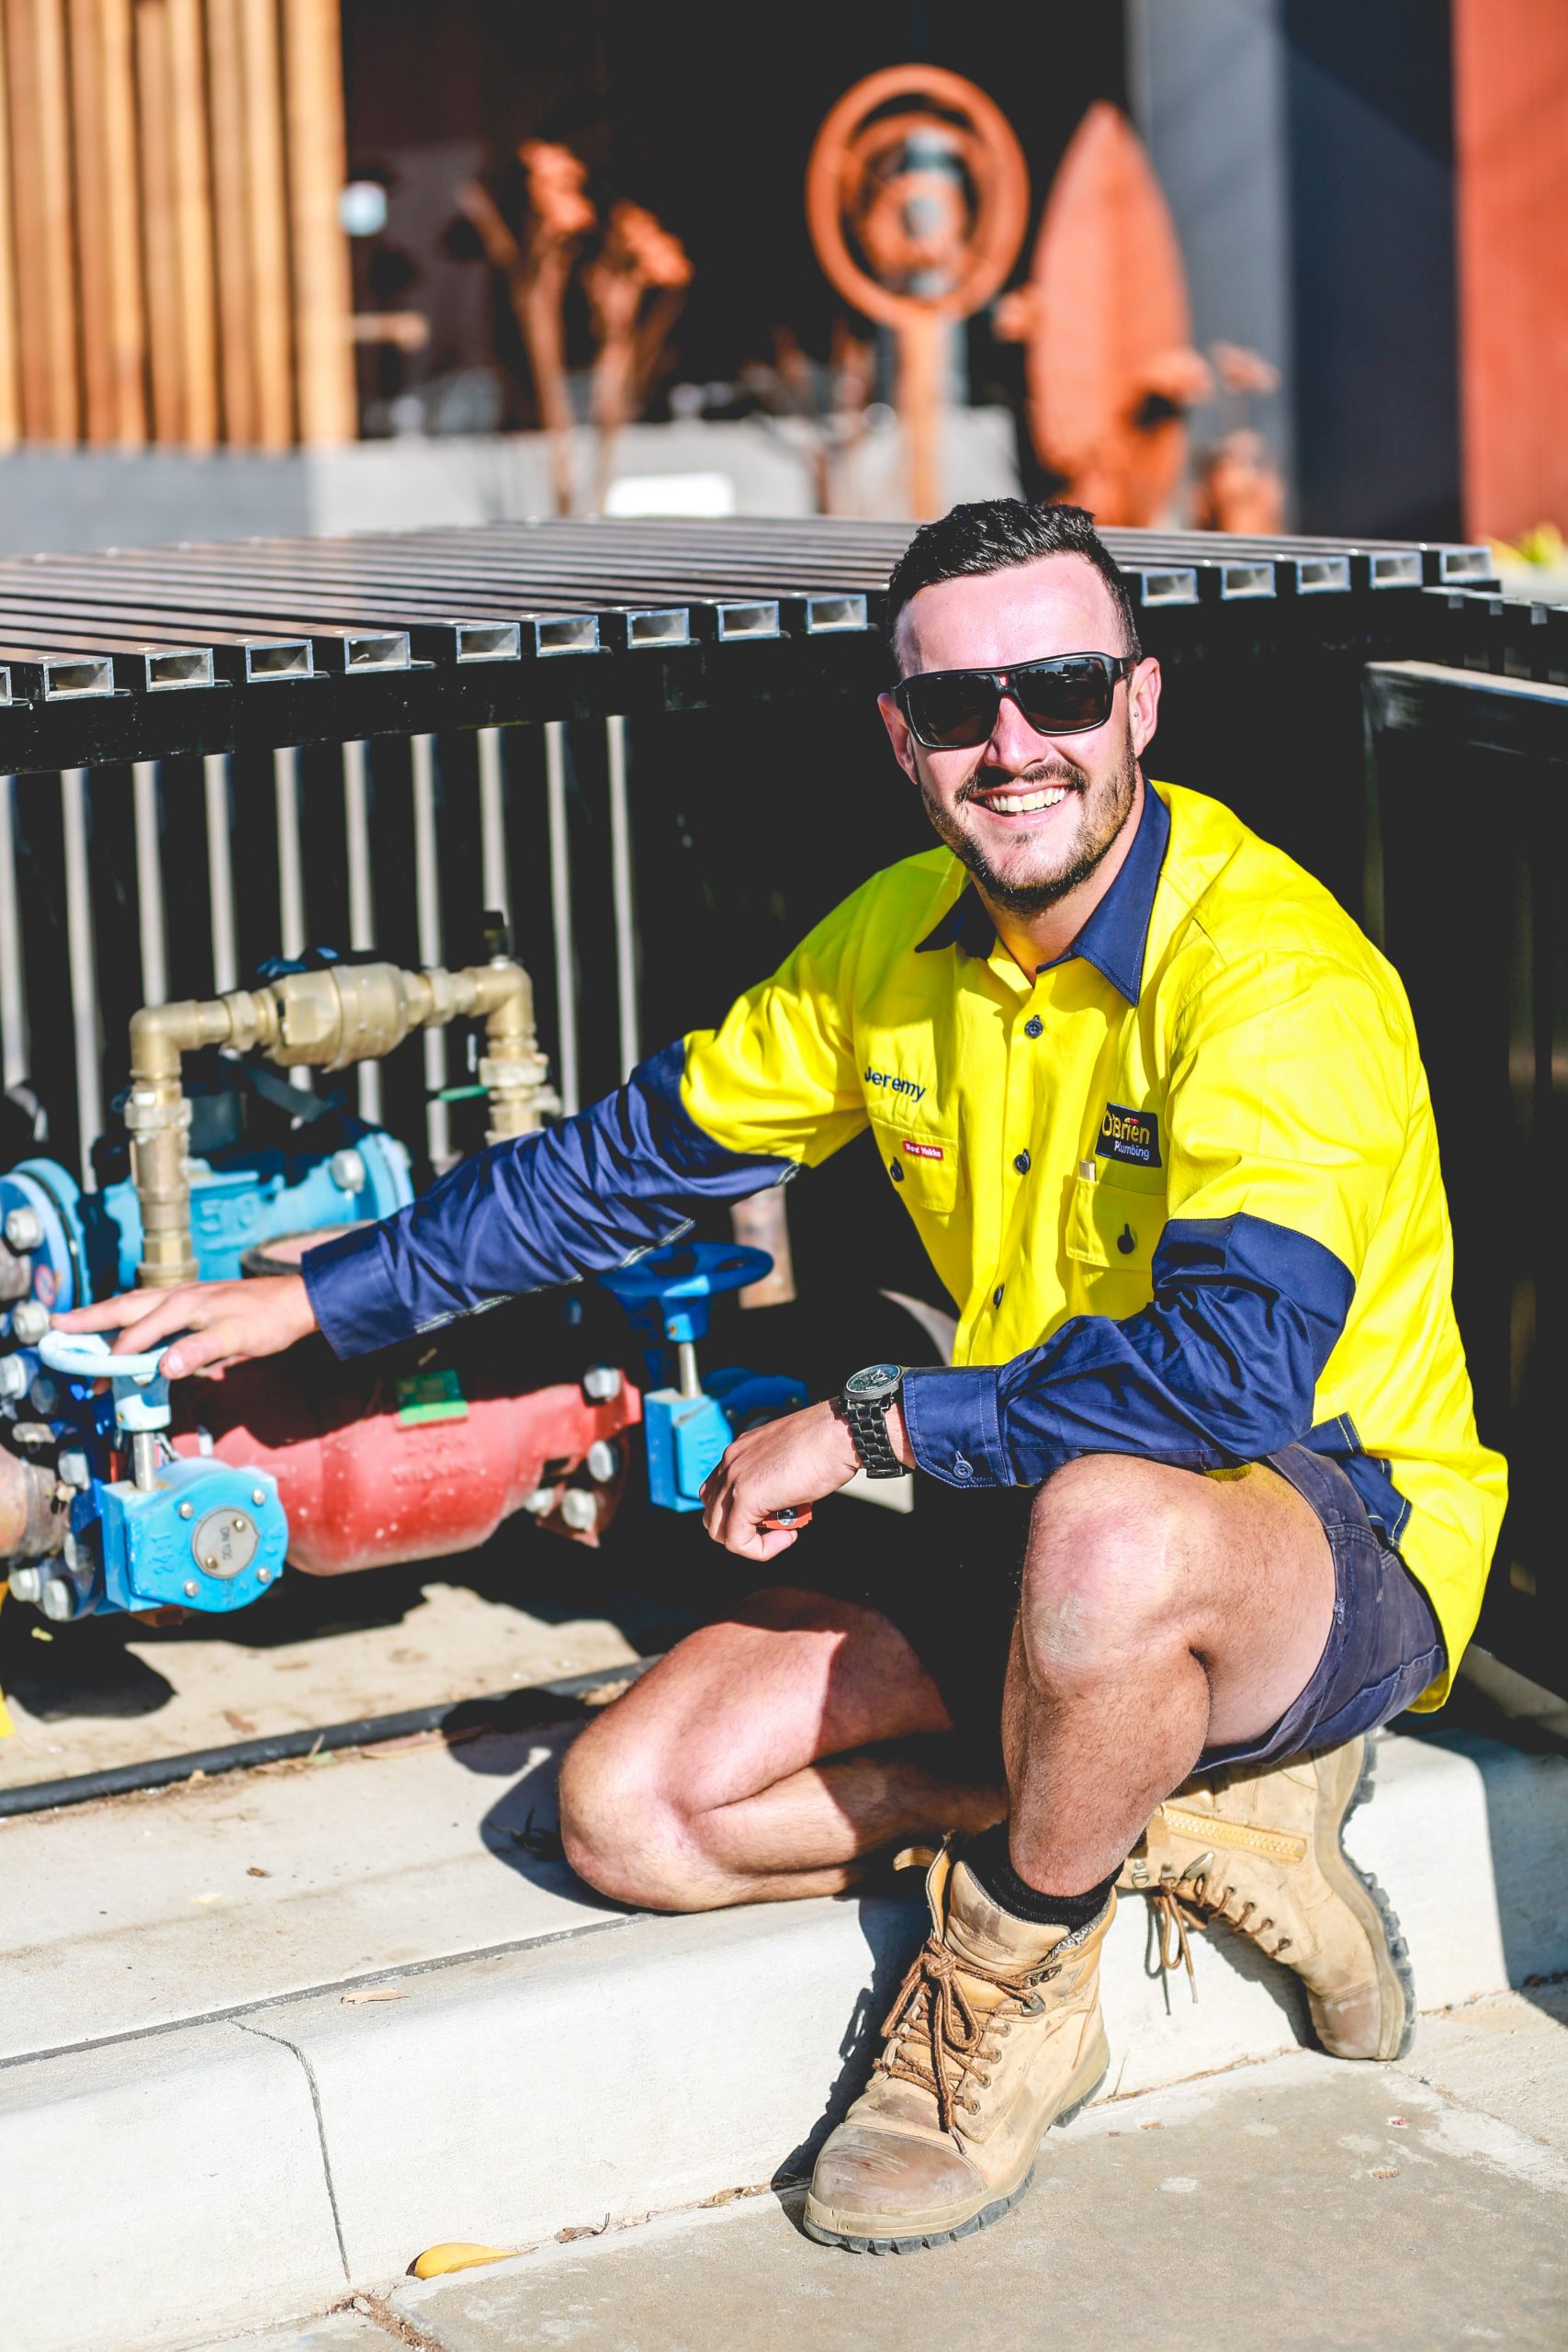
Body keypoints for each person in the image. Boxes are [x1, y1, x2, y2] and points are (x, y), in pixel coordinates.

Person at [60, 501, 1506, 2256]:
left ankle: (1010, 1988)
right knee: (632, 1813)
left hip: (1311, 1529)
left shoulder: (1273, 979)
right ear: (902, 739)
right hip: (1032, 1507)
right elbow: (619, 1165)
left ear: (1138, 703)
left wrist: (876, 1420)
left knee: (1120, 1536)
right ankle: (1188, 1820)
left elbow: (1222, 1379)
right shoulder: (897, 940)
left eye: (1057, 687)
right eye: (961, 709)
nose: (1013, 744)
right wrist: (322, 1303)